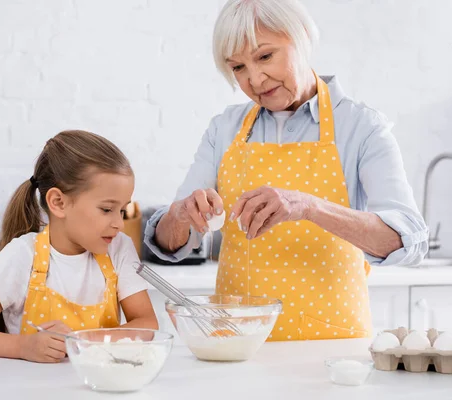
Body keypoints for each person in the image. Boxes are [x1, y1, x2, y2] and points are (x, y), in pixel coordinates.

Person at [145, 0, 428, 341]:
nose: (255, 79)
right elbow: (170, 243)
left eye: (265, 56)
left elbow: (407, 240)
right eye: (238, 68)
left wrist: (309, 207)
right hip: (237, 346)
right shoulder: (224, 129)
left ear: (303, 37)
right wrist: (181, 215)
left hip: (332, 348)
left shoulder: (361, 126)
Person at [0, 130, 158, 363]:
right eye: (107, 210)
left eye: (122, 210)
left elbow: (147, 324)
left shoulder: (119, 249)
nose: (119, 224)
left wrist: (82, 340)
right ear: (58, 203)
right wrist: (23, 347)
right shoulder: (22, 255)